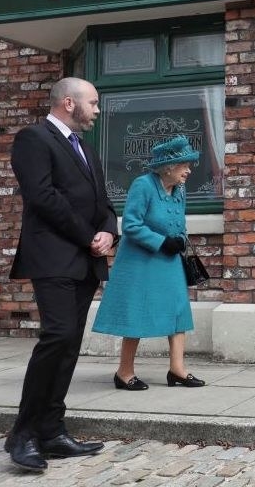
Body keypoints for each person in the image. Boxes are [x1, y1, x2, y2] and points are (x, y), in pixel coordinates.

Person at [4, 77, 118, 472]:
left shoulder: (84, 146)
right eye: (94, 102)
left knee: (69, 343)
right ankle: (23, 433)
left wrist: (108, 230)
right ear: (69, 103)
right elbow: (43, 196)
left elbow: (103, 199)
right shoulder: (32, 139)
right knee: (56, 337)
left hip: (85, 260)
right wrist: (89, 235)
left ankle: (51, 431)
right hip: (53, 257)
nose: (98, 110)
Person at [92, 136, 206, 390]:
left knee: (179, 312)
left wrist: (180, 243)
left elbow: (178, 222)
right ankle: (124, 372)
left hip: (170, 260)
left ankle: (177, 370)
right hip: (141, 261)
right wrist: (161, 241)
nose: (189, 171)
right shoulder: (143, 185)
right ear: (169, 166)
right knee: (137, 314)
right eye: (185, 165)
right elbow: (131, 225)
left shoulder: (179, 189)